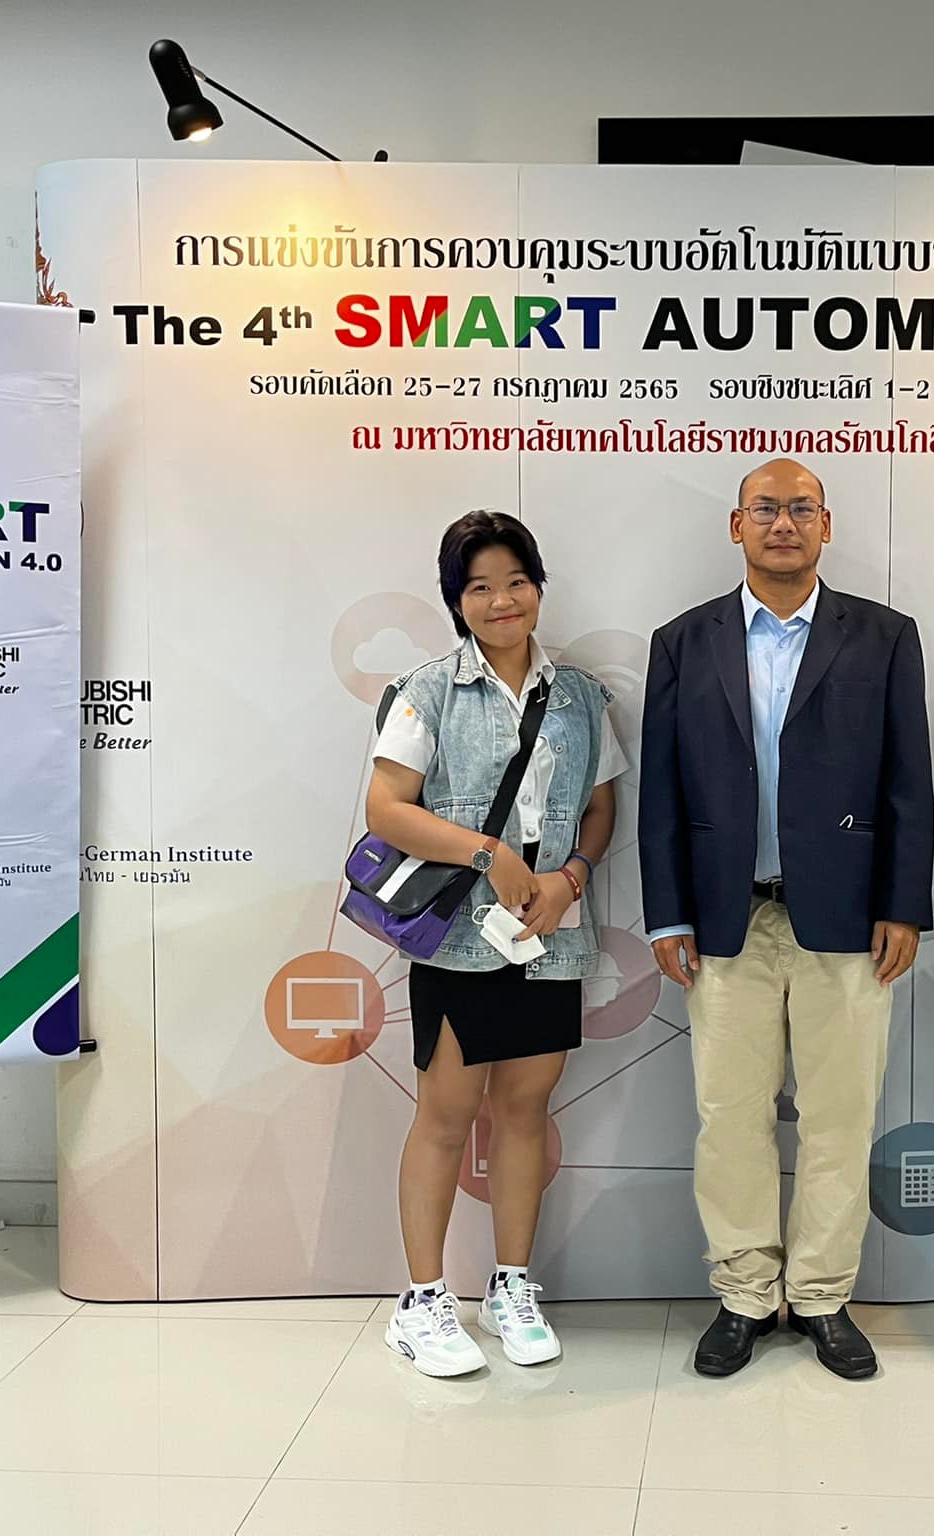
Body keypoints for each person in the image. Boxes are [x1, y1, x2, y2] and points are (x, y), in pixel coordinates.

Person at [640, 458, 934, 1381]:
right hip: (724, 919)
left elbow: (909, 782)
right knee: (729, 1117)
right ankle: (743, 1295)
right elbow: (660, 792)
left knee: (840, 1115)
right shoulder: (683, 641)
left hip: (848, 919)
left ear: (826, 524)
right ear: (736, 526)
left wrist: (902, 904)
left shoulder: (884, 637)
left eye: (800, 508)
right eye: (764, 508)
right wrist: (666, 914)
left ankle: (821, 1296)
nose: (782, 523)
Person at [367, 511, 626, 1377]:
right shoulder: (428, 691)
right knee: (444, 1117)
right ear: (457, 602)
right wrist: (489, 853)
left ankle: (512, 1286)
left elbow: (601, 804)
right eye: (479, 587)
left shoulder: (581, 696)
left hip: (550, 936)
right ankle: (422, 1301)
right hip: (457, 939)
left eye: (516, 581)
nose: (502, 600)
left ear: (538, 588)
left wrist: (572, 876)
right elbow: (386, 809)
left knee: (524, 1111)